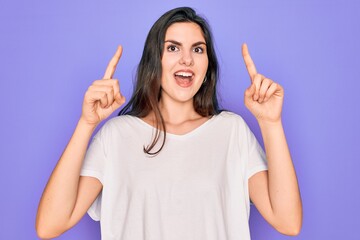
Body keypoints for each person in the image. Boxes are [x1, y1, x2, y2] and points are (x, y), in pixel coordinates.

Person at [36, 7, 302, 240]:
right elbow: (49, 226)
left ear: (207, 66)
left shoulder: (232, 132)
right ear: (155, 60)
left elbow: (288, 222)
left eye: (197, 49)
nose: (186, 59)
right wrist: (86, 123)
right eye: (173, 48)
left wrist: (271, 123)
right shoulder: (116, 136)